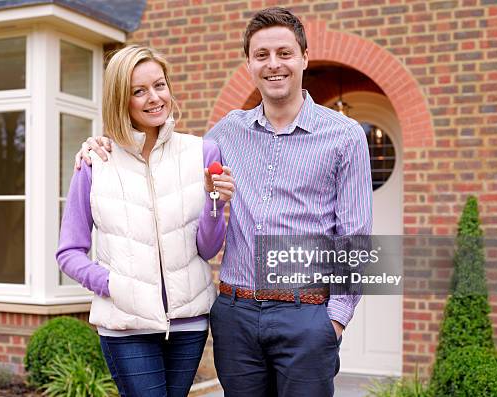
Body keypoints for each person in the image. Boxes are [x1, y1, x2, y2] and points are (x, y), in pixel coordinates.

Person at [75, 7, 372, 397]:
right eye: (261, 55)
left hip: (307, 316)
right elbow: (166, 156)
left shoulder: (345, 136)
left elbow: (356, 241)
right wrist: (104, 143)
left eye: (284, 53)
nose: (273, 65)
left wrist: (334, 320)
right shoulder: (226, 134)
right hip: (236, 317)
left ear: (303, 57)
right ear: (249, 63)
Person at [57, 45, 235, 397]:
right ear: (120, 99)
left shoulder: (201, 152)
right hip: (125, 326)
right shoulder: (96, 161)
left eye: (160, 85)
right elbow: (69, 252)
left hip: (189, 325)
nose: (154, 98)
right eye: (139, 91)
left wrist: (216, 202)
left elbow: (208, 247)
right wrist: (114, 285)